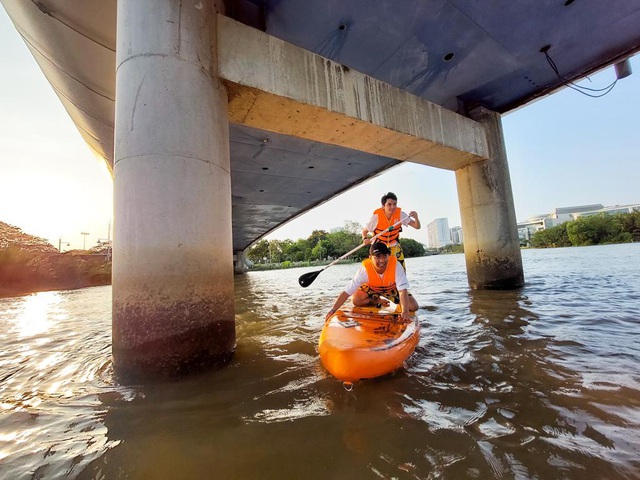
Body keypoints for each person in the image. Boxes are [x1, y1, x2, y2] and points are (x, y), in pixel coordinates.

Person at [325, 242, 419, 322]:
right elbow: (346, 292)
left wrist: (405, 312)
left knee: (413, 306)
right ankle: (377, 301)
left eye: (384, 256)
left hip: (391, 290)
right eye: (377, 257)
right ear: (370, 257)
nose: (382, 260)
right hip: (372, 289)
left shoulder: (396, 266)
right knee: (356, 300)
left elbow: (402, 291)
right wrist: (332, 310)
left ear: (388, 255)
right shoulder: (364, 271)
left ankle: (394, 303)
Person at [362, 192, 420, 270]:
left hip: (394, 246)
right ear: (383, 206)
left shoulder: (401, 215)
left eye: (394, 204)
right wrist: (365, 239)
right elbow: (364, 231)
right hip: (379, 247)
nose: (392, 207)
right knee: (380, 269)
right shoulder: (376, 218)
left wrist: (416, 218)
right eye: (389, 204)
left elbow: (417, 226)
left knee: (401, 270)